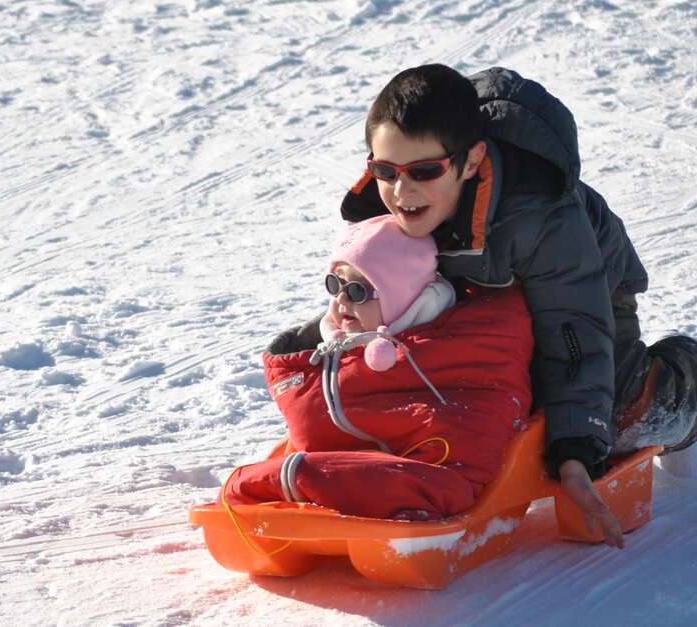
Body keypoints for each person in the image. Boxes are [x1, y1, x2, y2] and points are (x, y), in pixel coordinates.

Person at [266, 65, 697, 546]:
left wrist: (577, 445)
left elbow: (575, 332)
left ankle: (680, 383)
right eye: (384, 171)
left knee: (603, 415)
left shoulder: (539, 216)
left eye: (425, 172)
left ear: (470, 161)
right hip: (474, 307)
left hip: (584, 298)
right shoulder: (383, 203)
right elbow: (365, 295)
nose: (401, 192)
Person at [223, 214, 535, 521]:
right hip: (351, 469)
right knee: (252, 484)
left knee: (256, 484)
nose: (342, 300)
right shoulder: (330, 353)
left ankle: (299, 481)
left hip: (419, 476)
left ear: (404, 295)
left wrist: (299, 476)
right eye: (335, 284)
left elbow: (455, 469)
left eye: (359, 290)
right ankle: (302, 481)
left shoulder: (458, 351)